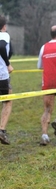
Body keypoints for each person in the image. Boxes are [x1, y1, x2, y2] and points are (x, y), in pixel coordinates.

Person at [0, 16, 13, 145]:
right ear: (4, 26)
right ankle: (1, 130)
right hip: (1, 76)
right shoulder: (4, 35)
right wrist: (8, 63)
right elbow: (2, 47)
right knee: (7, 101)